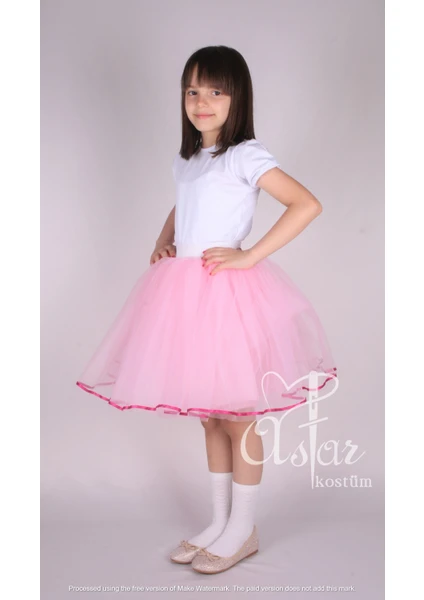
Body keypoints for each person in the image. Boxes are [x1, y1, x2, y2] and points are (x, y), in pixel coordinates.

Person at [76, 45, 338, 574]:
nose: (202, 101)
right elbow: (185, 201)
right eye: (192, 91)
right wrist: (164, 240)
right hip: (185, 294)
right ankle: (218, 522)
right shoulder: (191, 157)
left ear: (237, 97)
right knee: (210, 418)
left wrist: (250, 255)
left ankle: (244, 527)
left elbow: (306, 203)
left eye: (216, 91)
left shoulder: (245, 155)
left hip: (228, 297)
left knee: (239, 418)